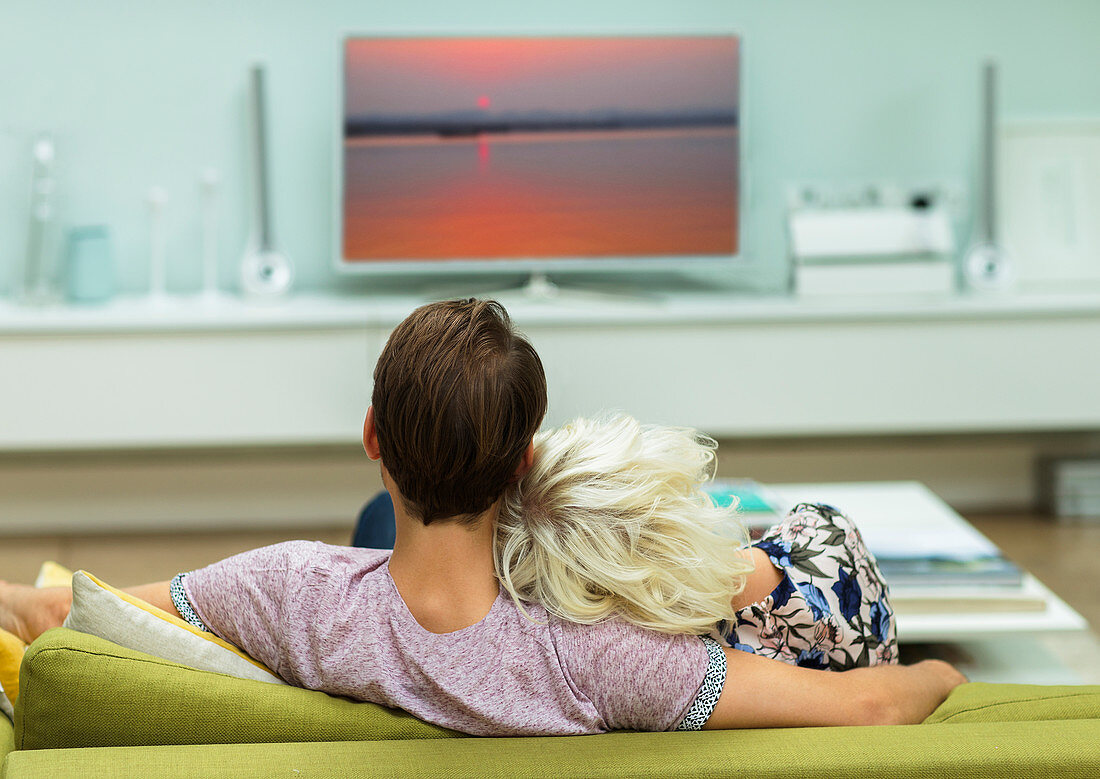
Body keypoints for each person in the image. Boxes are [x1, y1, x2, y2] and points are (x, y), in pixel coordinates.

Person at [0, 298, 965, 736]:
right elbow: (878, 701)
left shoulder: (290, 591)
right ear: (527, 462)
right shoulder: (600, 655)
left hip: (373, 582)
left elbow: (57, 611)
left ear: (374, 437)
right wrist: (946, 670)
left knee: (367, 536)